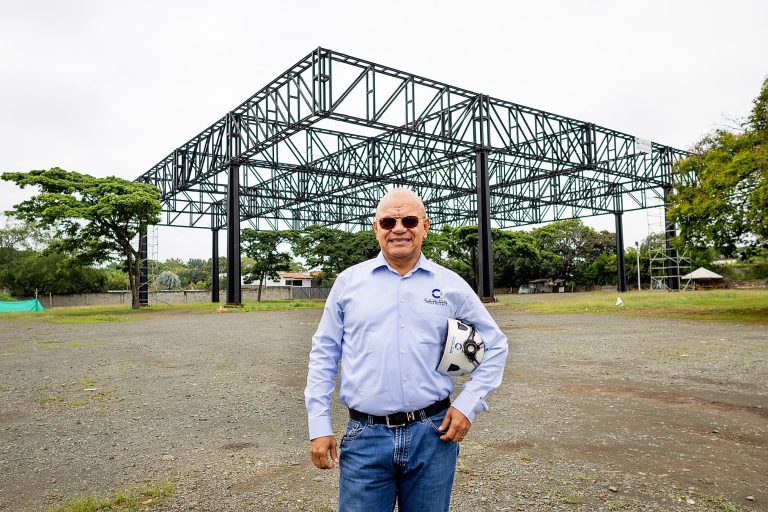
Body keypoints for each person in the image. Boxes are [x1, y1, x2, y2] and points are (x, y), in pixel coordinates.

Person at [304, 188, 508, 512]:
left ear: (425, 226)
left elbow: (496, 344)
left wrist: (468, 404)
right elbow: (324, 353)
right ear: (376, 228)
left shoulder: (450, 284)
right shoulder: (348, 283)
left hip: (433, 435)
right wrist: (319, 424)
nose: (399, 229)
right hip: (365, 437)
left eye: (409, 220)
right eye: (388, 222)